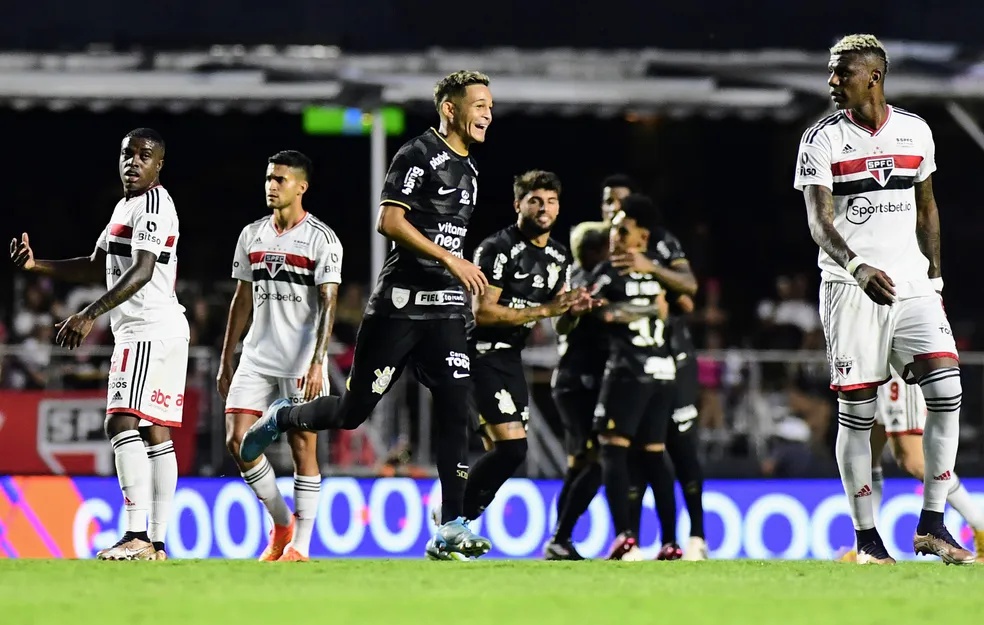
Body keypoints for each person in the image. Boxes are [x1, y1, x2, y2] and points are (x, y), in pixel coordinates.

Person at [240, 70, 494, 560]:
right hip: (399, 307)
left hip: (443, 310)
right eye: (479, 104)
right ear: (450, 109)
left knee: (453, 408)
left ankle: (452, 526)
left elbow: (450, 239)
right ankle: (282, 415)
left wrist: (459, 289)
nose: (487, 113)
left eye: (490, 105)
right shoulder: (418, 155)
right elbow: (389, 220)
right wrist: (450, 260)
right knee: (354, 412)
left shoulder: (472, 170)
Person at [795, 33, 972, 564]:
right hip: (850, 289)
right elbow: (819, 222)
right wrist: (856, 265)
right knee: (858, 414)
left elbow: (928, 208)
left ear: (872, 76)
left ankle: (933, 525)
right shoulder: (821, 139)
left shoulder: (916, 131)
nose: (831, 82)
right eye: (830, 72)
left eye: (840, 72)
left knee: (948, 392)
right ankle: (868, 542)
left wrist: (935, 277)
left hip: (914, 288)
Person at [10, 128, 187, 560]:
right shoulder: (125, 206)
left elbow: (142, 270)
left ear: (159, 164)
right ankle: (157, 542)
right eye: (127, 154)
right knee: (154, 432)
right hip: (156, 327)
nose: (133, 162)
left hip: (147, 328)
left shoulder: (153, 205)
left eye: (144, 156)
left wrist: (89, 315)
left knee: (119, 422)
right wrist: (38, 265)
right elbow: (97, 266)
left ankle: (136, 534)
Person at [218, 150, 342, 562]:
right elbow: (241, 299)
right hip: (256, 355)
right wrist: (226, 357)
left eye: (281, 180)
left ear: (301, 187)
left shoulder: (322, 239)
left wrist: (318, 360)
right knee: (238, 442)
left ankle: (301, 547)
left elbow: (329, 303)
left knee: (302, 448)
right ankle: (280, 521)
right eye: (269, 178)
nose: (272, 185)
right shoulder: (251, 234)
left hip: (300, 359)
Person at [462, 169, 596, 525]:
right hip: (478, 354)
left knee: (507, 455)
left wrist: (574, 312)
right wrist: (545, 309)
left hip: (510, 358)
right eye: (535, 200)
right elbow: (482, 313)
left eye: (551, 201)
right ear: (518, 204)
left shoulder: (559, 257)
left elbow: (558, 322)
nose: (544, 208)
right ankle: (452, 516)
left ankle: (458, 521)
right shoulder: (496, 249)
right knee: (511, 448)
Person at [587, 195, 678, 560]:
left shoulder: (610, 272)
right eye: (613, 228)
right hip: (663, 370)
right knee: (655, 454)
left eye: (622, 230)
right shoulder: (658, 271)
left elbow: (596, 310)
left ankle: (625, 536)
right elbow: (670, 310)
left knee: (612, 448)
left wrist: (610, 311)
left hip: (628, 371)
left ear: (641, 237)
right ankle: (671, 541)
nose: (614, 235)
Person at [839, 367, 984, 563]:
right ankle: (866, 547)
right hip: (870, 361)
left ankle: (980, 526)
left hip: (895, 368)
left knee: (913, 462)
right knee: (867, 457)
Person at [543, 222, 610, 560]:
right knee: (599, 463)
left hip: (568, 380)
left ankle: (559, 540)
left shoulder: (572, 278)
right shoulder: (597, 283)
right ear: (600, 250)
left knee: (578, 465)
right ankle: (561, 536)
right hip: (583, 382)